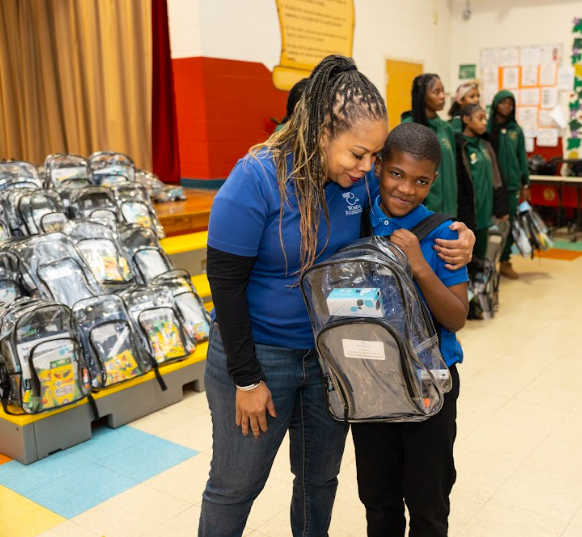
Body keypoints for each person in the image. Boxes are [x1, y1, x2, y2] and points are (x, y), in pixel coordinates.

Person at [200, 55, 475, 537]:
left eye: (374, 157)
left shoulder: (358, 180)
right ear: (322, 130)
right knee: (236, 483)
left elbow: (408, 204)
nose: (369, 168)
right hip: (260, 357)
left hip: (332, 357)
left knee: (318, 480)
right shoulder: (255, 180)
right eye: (359, 154)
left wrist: (460, 236)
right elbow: (224, 285)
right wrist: (246, 379)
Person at [351, 122, 468, 537]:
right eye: (396, 174)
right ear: (378, 167)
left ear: (433, 181)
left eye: (421, 181)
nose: (406, 189)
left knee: (428, 502)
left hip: (429, 386)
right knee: (378, 499)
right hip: (369, 383)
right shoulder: (354, 218)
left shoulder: (444, 235)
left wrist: (418, 264)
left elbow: (456, 317)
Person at [455, 103, 508, 260]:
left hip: (485, 218)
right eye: (480, 118)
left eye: (485, 118)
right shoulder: (460, 146)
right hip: (469, 217)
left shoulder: (485, 145)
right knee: (467, 262)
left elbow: (497, 177)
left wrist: (500, 205)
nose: (484, 122)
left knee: (482, 259)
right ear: (466, 119)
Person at [401, 74, 458, 218]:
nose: (442, 96)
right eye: (436, 92)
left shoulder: (447, 128)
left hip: (449, 209)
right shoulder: (409, 126)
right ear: (422, 96)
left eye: (443, 91)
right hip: (422, 210)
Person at [487, 90, 530, 279]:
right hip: (489, 185)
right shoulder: (487, 128)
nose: (507, 107)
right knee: (488, 225)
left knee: (508, 225)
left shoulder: (516, 130)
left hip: (511, 186)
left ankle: (505, 261)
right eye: (503, 103)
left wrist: (525, 183)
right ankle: (485, 263)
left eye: (510, 104)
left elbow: (522, 158)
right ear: (496, 104)